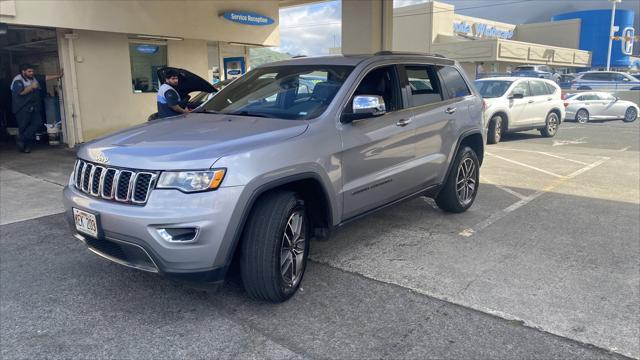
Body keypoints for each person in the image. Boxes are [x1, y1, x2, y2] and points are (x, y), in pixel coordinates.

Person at [10, 64, 63, 153]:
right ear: (23, 71)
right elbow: (21, 93)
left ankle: (22, 138)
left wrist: (58, 76)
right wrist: (31, 87)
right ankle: (25, 147)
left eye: (32, 71)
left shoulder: (33, 78)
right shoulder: (18, 80)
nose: (31, 73)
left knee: (38, 123)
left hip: (32, 107)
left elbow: (45, 77)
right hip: (21, 108)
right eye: (29, 71)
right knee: (23, 127)